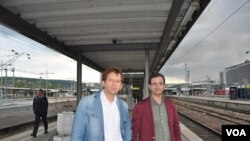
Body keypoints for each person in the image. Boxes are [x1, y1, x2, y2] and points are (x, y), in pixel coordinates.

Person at [71, 66, 131, 141]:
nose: (114, 84)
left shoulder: (123, 106)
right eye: (110, 80)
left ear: (121, 86)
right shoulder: (86, 103)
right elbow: (77, 134)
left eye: (117, 81)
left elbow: (127, 128)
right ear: (103, 82)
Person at [132, 73, 181, 141]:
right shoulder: (140, 107)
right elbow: (134, 131)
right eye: (154, 84)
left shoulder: (170, 104)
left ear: (164, 86)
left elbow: (176, 127)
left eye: (160, 83)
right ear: (149, 87)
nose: (158, 86)